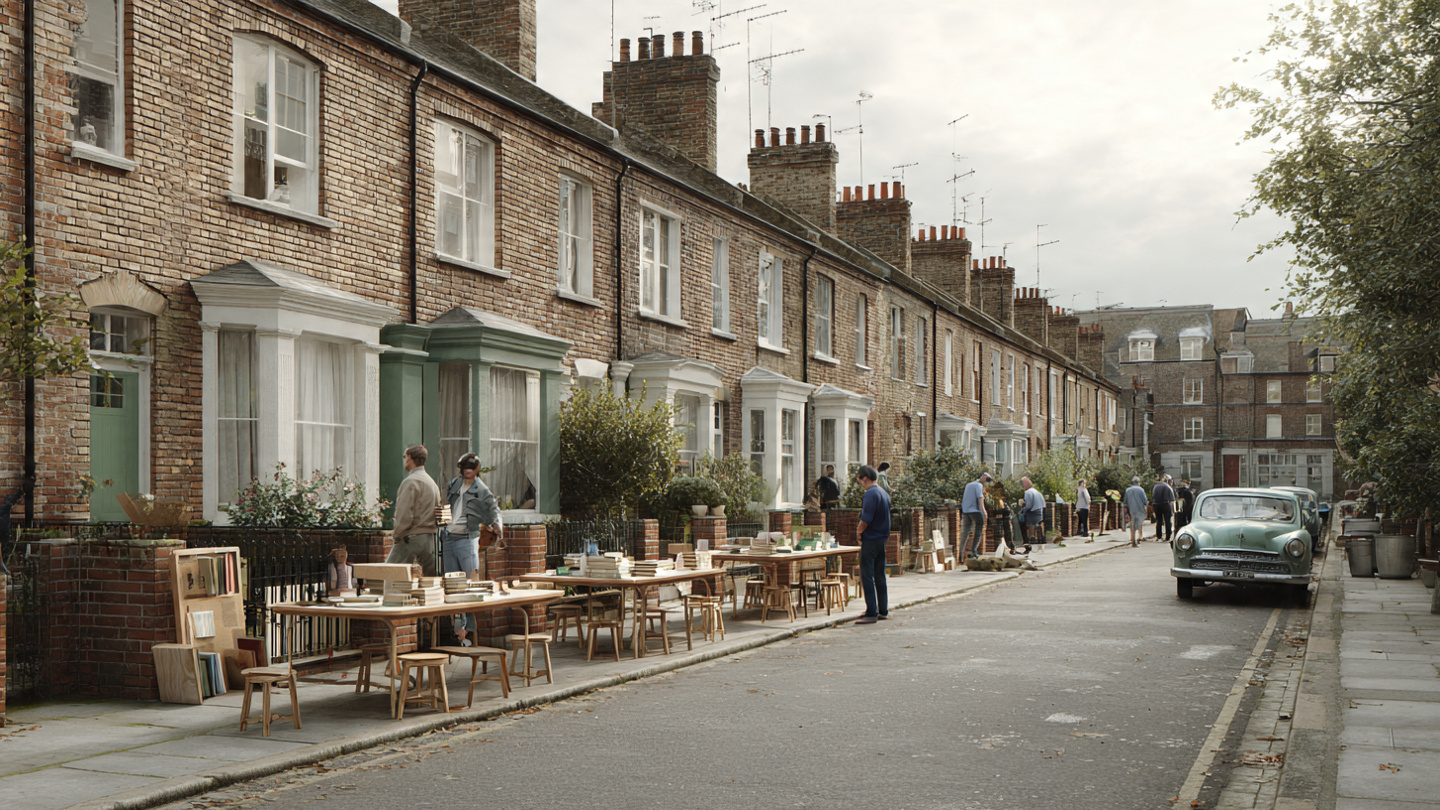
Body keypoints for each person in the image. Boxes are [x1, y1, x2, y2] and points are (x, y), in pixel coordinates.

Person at [446, 453, 504, 646]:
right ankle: (457, 632)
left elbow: (493, 509)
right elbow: (446, 505)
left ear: (476, 469)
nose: (467, 471)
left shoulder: (481, 489)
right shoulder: (454, 484)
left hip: (467, 538)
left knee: (469, 586)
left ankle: (469, 632)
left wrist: (497, 526)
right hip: (449, 537)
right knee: (452, 587)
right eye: (465, 467)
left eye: (471, 468)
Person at [387, 444, 442, 576]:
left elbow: (404, 514)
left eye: (405, 457)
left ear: (409, 458)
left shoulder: (410, 482)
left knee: (390, 574)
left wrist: (397, 535)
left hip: (410, 538)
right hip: (429, 540)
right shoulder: (432, 483)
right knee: (429, 580)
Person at [853, 465, 891, 625]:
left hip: (871, 538)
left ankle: (871, 612)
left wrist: (858, 532)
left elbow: (866, 519)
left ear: (865, 478)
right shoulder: (883, 492)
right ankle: (883, 610)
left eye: (860, 480)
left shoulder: (870, 494)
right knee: (879, 574)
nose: (860, 483)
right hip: (882, 538)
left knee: (867, 575)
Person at [958, 472, 992, 560]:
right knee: (979, 530)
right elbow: (980, 498)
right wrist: (984, 511)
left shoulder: (968, 485)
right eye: (987, 480)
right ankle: (974, 551)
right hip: (975, 511)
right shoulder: (979, 485)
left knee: (965, 532)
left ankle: (961, 554)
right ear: (984, 478)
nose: (987, 482)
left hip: (965, 511)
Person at [1020, 476, 1046, 551]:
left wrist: (1022, 510)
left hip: (1033, 513)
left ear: (1024, 485)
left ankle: (1027, 540)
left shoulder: (1027, 492)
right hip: (1040, 512)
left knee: (1022, 520)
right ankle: (1041, 538)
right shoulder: (1037, 492)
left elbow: (1029, 505)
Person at [1123, 476, 1149, 547]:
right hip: (1140, 509)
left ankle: (1133, 539)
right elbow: (1145, 501)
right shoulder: (1141, 490)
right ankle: (1139, 537)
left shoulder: (1128, 490)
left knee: (1132, 523)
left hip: (1131, 509)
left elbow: (1125, 501)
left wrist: (1126, 508)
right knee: (1139, 523)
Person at [1152, 474, 1176, 542]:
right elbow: (1172, 500)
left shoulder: (1155, 486)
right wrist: (1174, 510)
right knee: (1167, 520)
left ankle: (1159, 536)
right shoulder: (1168, 487)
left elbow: (1153, 496)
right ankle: (1167, 537)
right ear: (1168, 481)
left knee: (1158, 521)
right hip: (1166, 504)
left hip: (1156, 505)